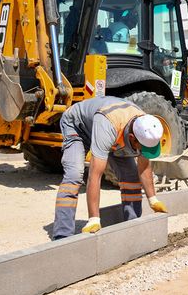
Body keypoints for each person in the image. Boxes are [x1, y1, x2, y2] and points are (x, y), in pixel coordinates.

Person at [53, 96, 168, 240]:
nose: (143, 151)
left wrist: (153, 199)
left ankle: (132, 225)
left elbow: (144, 168)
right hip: (77, 126)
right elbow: (95, 175)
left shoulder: (146, 127)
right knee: (74, 175)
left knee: (131, 177)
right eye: (142, 148)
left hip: (114, 133)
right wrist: (94, 219)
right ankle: (62, 235)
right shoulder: (108, 124)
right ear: (132, 138)